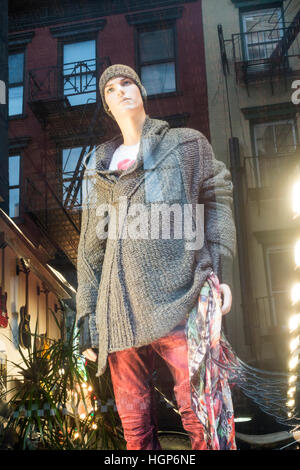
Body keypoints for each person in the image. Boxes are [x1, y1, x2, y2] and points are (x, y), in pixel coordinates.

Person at [76, 64, 236, 450]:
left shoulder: (185, 144)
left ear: (141, 90)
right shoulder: (98, 168)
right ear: (107, 105)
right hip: (118, 315)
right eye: (111, 89)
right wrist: (86, 315)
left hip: (179, 297)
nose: (120, 91)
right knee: (135, 432)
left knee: (203, 415)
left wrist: (217, 269)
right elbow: (90, 248)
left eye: (127, 82)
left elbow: (217, 197)